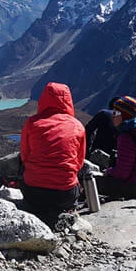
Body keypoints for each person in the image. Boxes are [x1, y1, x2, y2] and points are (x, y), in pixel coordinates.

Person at [19, 82, 86, 227]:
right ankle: (67, 212)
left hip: (33, 191)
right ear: (69, 100)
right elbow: (79, 162)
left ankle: (35, 210)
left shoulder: (32, 123)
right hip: (64, 194)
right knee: (74, 187)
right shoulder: (77, 126)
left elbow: (24, 156)